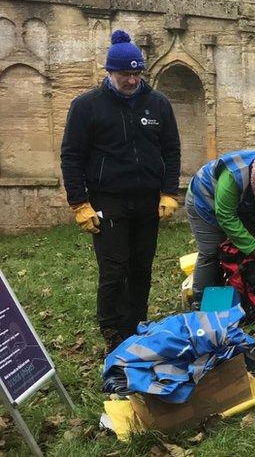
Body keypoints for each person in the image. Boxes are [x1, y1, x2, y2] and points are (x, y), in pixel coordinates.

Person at [60, 29, 181, 352]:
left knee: (142, 266)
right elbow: (71, 156)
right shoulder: (87, 106)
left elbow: (171, 149)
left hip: (147, 200)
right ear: (110, 72)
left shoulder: (157, 104)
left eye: (137, 73)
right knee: (115, 268)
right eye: (125, 74)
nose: (132, 80)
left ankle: (136, 323)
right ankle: (113, 331)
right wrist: (79, 203)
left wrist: (170, 192)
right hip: (108, 200)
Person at [185, 144, 255, 307]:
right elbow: (225, 215)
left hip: (244, 205)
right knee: (211, 252)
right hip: (206, 201)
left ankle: (254, 297)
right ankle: (203, 303)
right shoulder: (234, 175)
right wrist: (253, 247)